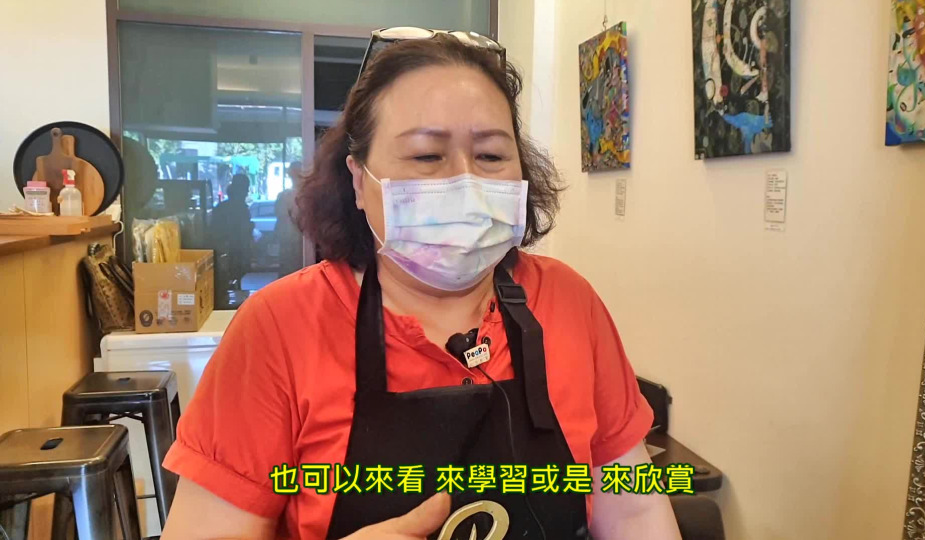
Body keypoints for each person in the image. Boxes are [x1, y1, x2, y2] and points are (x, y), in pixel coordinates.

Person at [160, 33, 681, 540]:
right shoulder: (279, 327)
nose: (466, 182)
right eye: (427, 156)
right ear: (359, 180)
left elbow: (634, 510)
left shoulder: (568, 301)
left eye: (491, 156)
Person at [210, 173, 254, 290]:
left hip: (231, 251)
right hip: (231, 251)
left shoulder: (222, 207)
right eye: (245, 188)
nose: (247, 192)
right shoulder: (238, 208)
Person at [275, 161, 304, 276]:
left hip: (299, 242)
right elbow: (280, 217)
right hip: (288, 241)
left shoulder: (307, 195)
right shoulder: (284, 196)